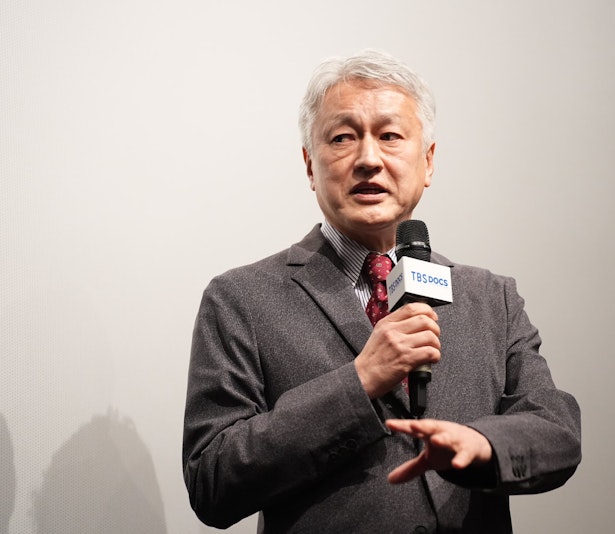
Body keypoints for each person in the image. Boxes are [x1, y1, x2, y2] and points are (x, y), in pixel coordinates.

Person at [182, 49, 581, 533]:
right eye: (342, 138)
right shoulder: (241, 299)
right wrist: (359, 382)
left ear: (428, 162)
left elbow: (556, 431)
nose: (369, 159)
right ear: (309, 165)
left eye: (390, 136)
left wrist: (484, 445)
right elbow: (212, 479)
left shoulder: (491, 297)